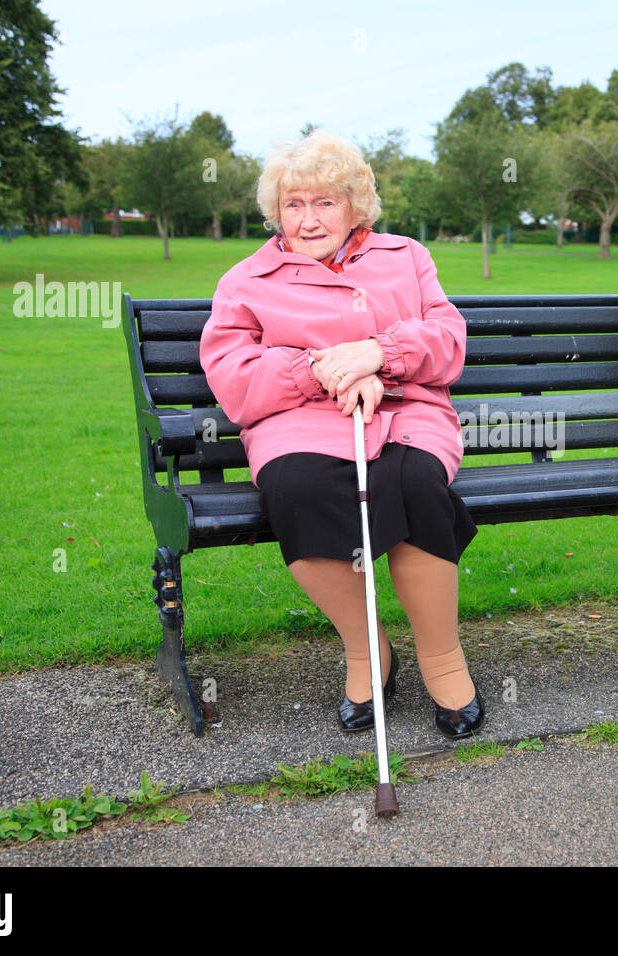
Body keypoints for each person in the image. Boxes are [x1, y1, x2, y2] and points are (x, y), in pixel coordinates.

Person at [200, 129, 486, 737]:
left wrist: (378, 354)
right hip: (298, 421)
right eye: (294, 204)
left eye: (325, 202)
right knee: (296, 490)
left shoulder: (404, 257)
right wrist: (319, 369)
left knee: (414, 481)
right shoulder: (246, 281)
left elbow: (448, 339)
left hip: (406, 408)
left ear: (355, 206)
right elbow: (233, 377)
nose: (308, 220)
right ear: (277, 212)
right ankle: (368, 650)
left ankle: (442, 659)